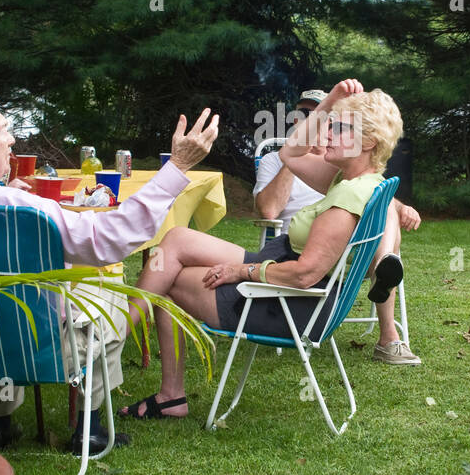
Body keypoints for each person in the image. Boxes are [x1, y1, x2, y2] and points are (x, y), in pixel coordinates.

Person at [0, 97, 219, 451]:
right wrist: (177, 167)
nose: (11, 141)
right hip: (43, 347)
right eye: (3, 132)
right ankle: (90, 429)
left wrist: (2, 193)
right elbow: (112, 238)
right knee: (109, 289)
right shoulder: (27, 209)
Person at [120, 80, 404, 420]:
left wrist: (243, 272)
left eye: (338, 128)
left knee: (169, 279)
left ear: (369, 142)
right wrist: (330, 101)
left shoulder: (346, 201)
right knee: (177, 239)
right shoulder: (353, 179)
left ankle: (131, 355)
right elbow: (290, 153)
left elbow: (305, 274)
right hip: (285, 270)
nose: (326, 134)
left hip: (292, 304)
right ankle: (121, 332)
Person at [254, 89, 421, 364]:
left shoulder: (347, 172)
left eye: (330, 120)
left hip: (341, 247)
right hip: (302, 243)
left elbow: (371, 188)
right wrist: (306, 151)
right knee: (383, 199)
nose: (321, 124)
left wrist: (403, 207)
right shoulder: (280, 160)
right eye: (304, 115)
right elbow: (270, 209)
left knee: (385, 201)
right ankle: (385, 267)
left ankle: (385, 265)